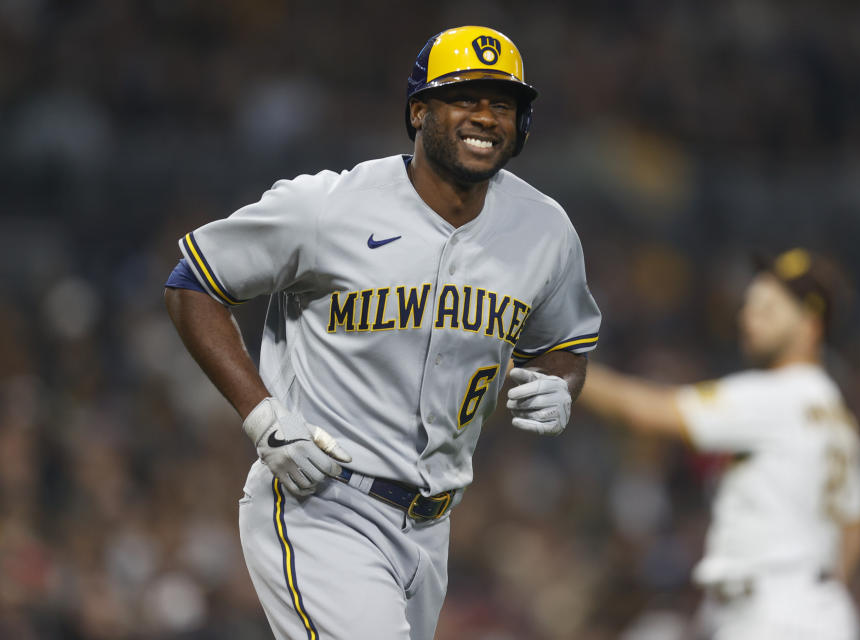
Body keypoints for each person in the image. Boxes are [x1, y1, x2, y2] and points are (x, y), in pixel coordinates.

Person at [163, 26, 601, 640]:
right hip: (322, 501)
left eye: (502, 103)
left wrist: (562, 385)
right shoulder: (330, 207)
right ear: (419, 112)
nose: (485, 116)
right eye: (464, 98)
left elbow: (565, 343)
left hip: (432, 529)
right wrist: (260, 415)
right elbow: (193, 282)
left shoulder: (544, 229)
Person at [579, 248, 860, 640]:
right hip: (808, 609)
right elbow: (855, 523)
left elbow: (645, 412)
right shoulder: (832, 412)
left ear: (809, 324)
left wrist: (544, 363)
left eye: (768, 310)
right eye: (750, 307)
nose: (748, 318)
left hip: (773, 612)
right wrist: (820, 595)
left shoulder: (779, 396)